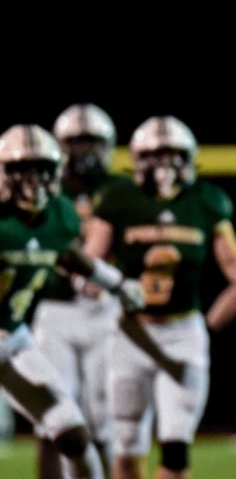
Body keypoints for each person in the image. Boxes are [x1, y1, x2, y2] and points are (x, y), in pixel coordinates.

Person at [82, 115, 236, 479]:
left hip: (182, 333)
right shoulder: (118, 197)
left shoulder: (206, 200)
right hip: (131, 334)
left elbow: (235, 269)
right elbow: (91, 262)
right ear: (137, 159)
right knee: (127, 447)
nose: (165, 165)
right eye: (155, 155)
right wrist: (93, 279)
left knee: (176, 450)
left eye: (174, 155)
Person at [0, 122, 145, 479]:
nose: (32, 181)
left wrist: (117, 284)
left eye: (42, 170)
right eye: (22, 170)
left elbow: (67, 254)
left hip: (13, 339)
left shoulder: (60, 214)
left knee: (73, 434)